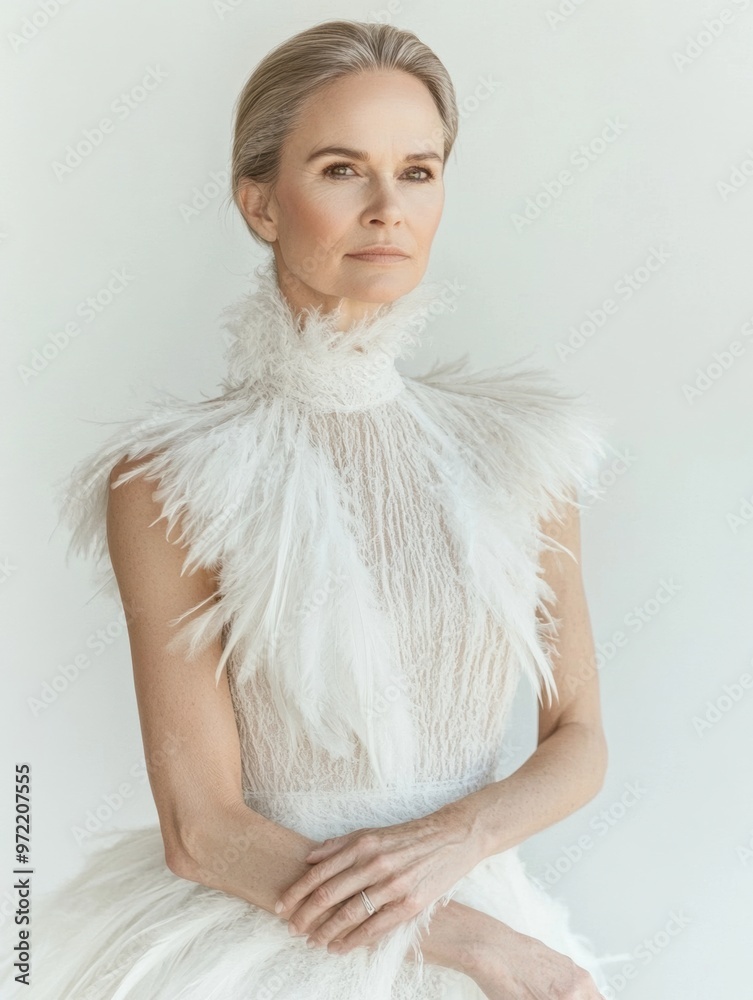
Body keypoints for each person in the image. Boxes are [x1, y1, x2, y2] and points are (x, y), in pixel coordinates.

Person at [5, 18, 630, 1000]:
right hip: (269, 938)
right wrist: (461, 935)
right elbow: (201, 830)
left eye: (418, 172)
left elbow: (580, 738)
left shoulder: (526, 453)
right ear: (260, 202)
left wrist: (454, 847)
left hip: (490, 914)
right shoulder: (171, 479)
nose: (388, 207)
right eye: (343, 169)